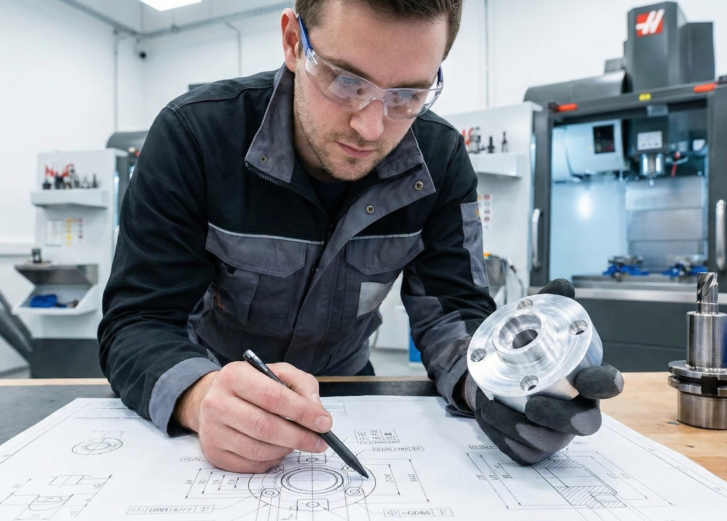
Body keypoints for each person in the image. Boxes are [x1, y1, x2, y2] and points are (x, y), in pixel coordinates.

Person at [98, 0, 623, 474]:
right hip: (218, 394)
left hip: (353, 388)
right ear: (292, 41)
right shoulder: (195, 136)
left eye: (408, 94)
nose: (371, 127)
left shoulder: (439, 159)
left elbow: (452, 311)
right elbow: (138, 321)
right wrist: (198, 394)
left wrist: (496, 386)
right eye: (347, 80)